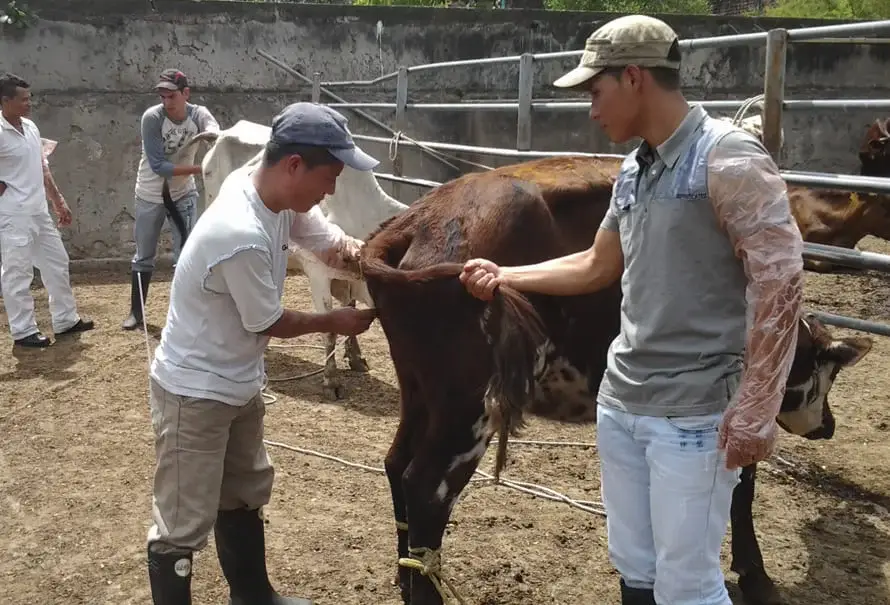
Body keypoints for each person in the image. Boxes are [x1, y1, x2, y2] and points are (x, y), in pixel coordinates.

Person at [459, 15, 804, 605]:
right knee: (636, 568)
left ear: (636, 77)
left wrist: (758, 407)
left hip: (693, 415)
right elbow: (597, 265)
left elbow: (780, 282)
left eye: (596, 91)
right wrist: (506, 274)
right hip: (623, 401)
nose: (591, 109)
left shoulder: (727, 160)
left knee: (689, 583)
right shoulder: (635, 170)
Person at [145, 101, 378, 605]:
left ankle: (253, 597)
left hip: (238, 380)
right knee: (182, 522)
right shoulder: (240, 232)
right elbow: (271, 322)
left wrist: (370, 260)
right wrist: (334, 321)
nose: (332, 189)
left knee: (244, 492)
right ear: (294, 165)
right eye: (330, 176)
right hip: (195, 390)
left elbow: (325, 239)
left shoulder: (270, 193)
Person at [0, 72, 94, 348]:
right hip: (13, 215)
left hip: (39, 211)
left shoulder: (30, 127)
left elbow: (42, 167)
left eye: (29, 98)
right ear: (5, 101)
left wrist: (58, 201)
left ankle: (65, 320)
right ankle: (23, 330)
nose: (29, 103)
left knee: (57, 262)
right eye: (23, 99)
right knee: (17, 272)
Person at [122, 68, 220, 331]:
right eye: (162, 96)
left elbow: (214, 133)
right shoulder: (152, 118)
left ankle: (185, 317)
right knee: (144, 256)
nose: (166, 102)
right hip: (150, 195)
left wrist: (210, 138)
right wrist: (201, 170)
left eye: (172, 96)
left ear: (185, 93)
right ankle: (136, 313)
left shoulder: (198, 114)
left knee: (186, 256)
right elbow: (159, 166)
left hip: (183, 194)